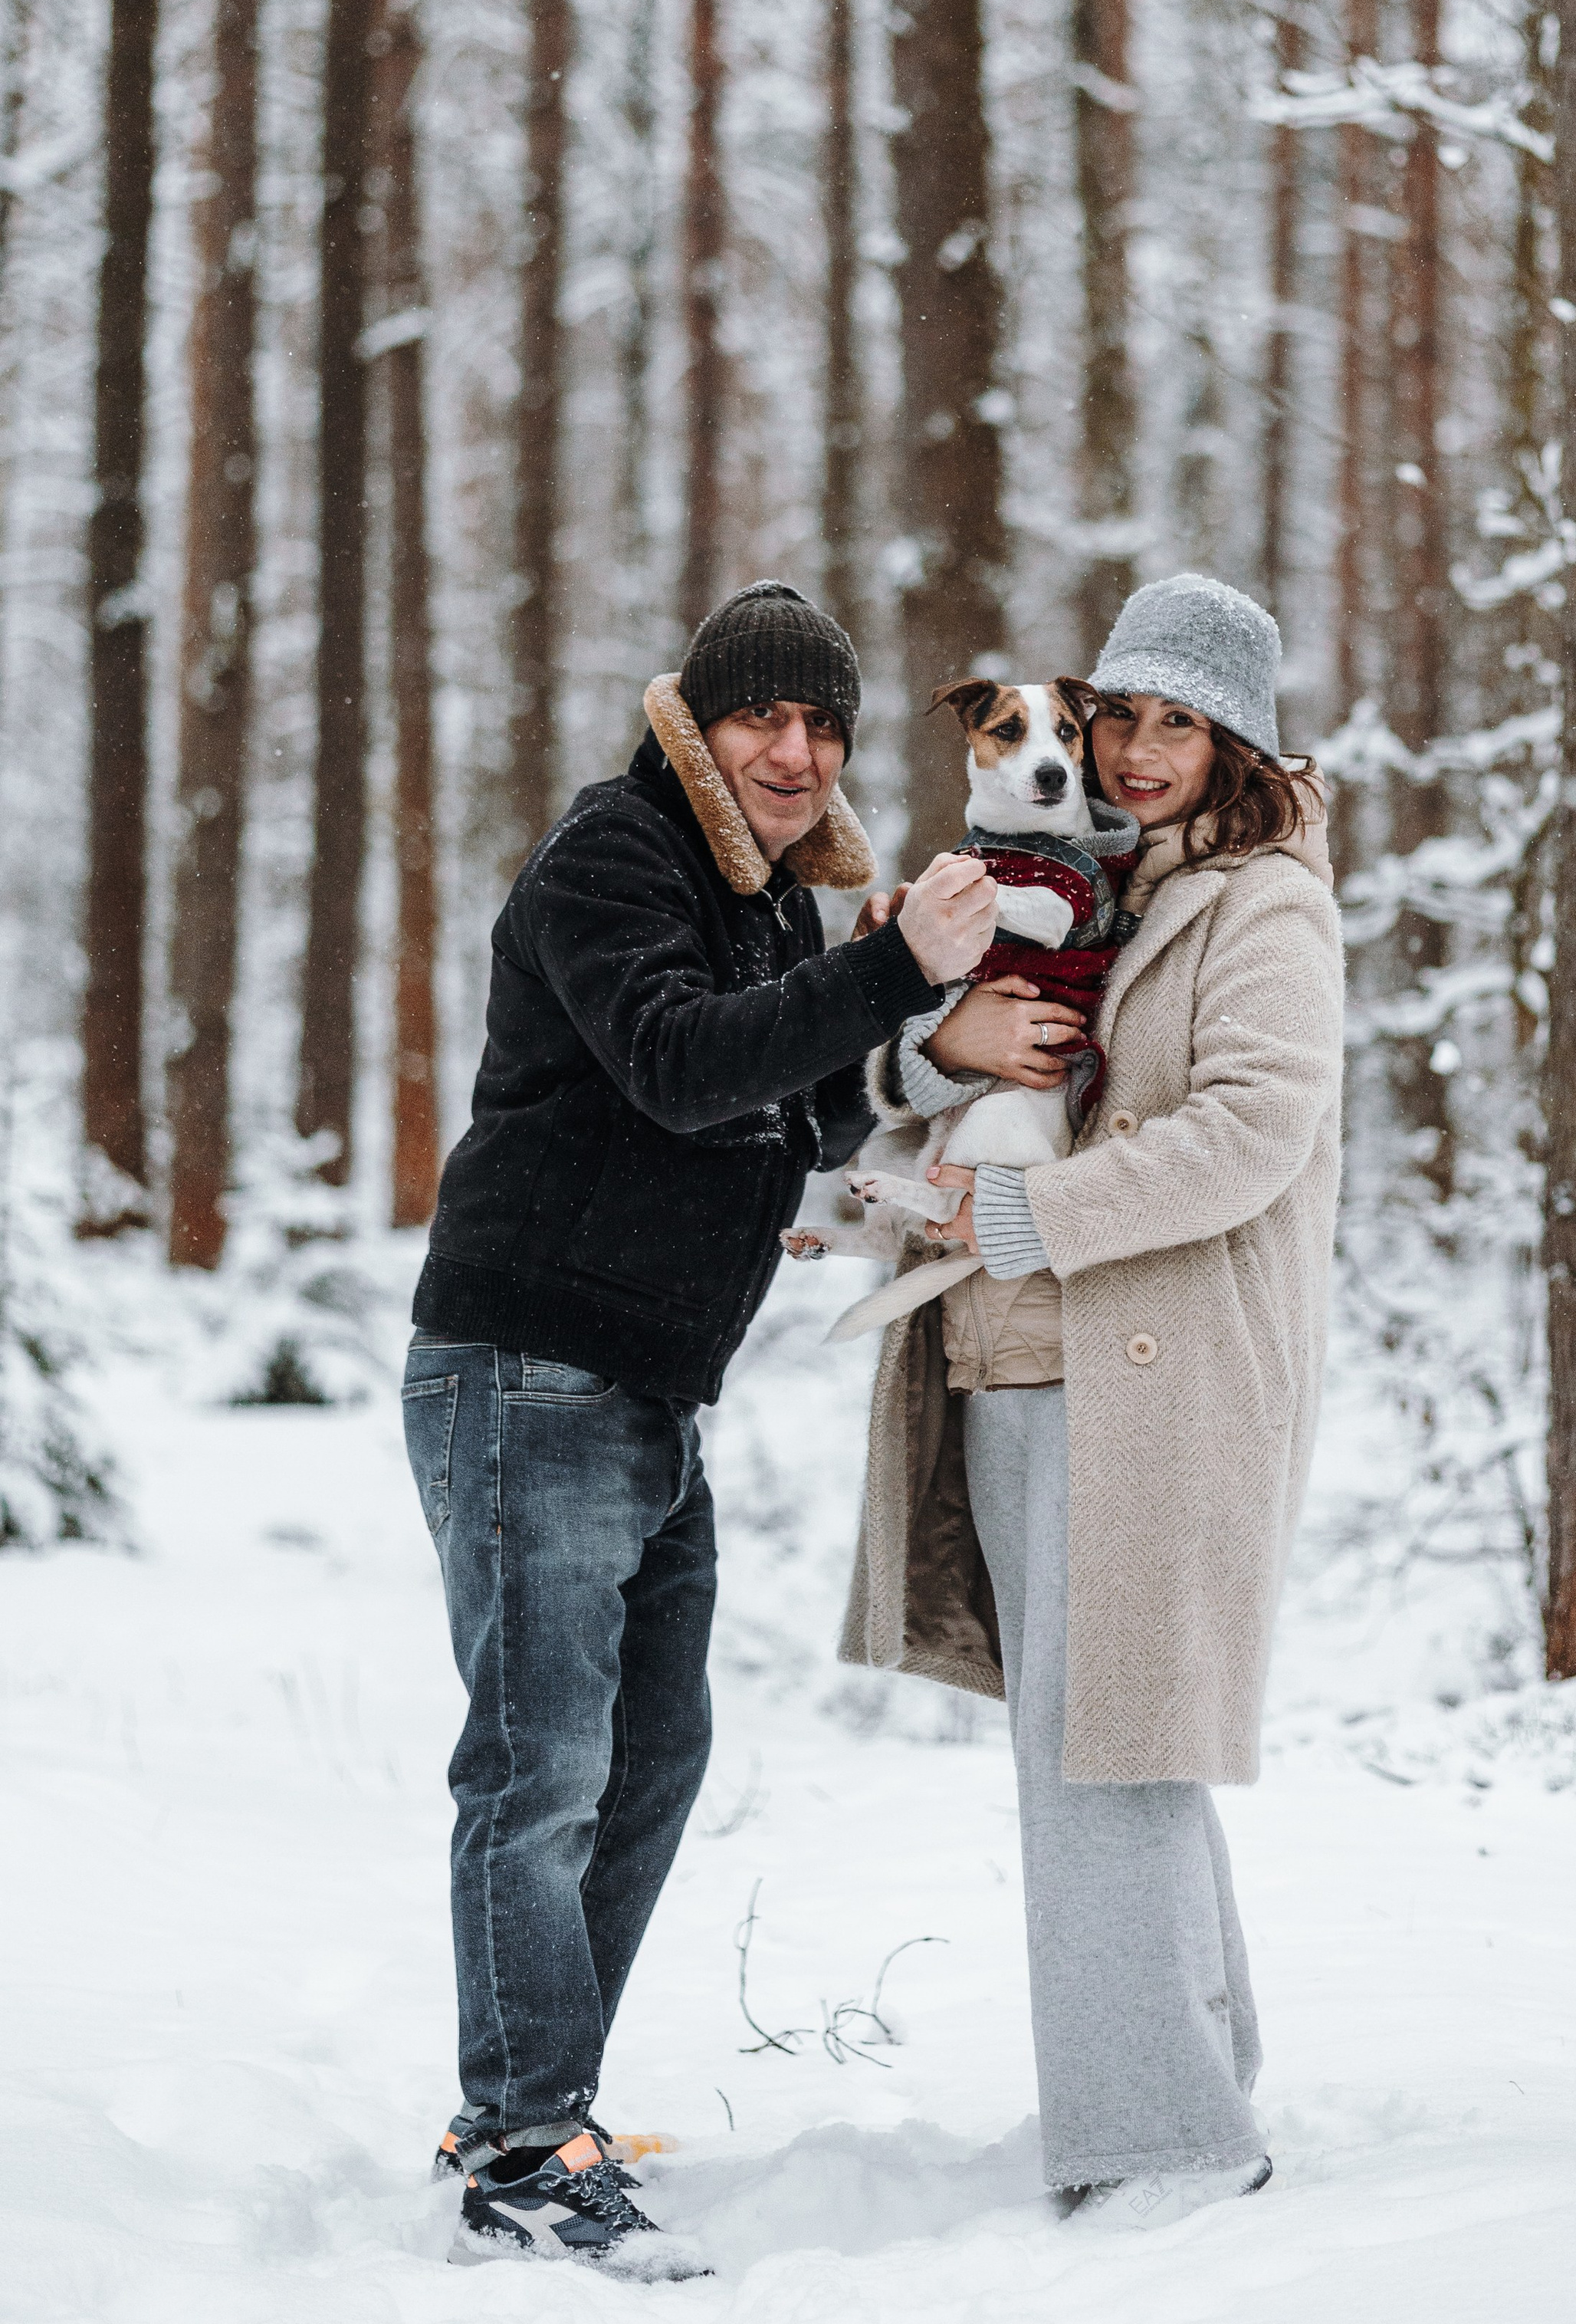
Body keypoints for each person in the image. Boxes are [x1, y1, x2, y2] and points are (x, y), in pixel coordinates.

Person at [403, 580, 996, 2277]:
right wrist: (891, 965)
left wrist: (909, 1039)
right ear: (695, 725)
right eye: (763, 719)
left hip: (646, 1387)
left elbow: (781, 1100)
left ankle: (536, 2093)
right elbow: (675, 1066)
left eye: (821, 724)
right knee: (540, 1770)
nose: (794, 751)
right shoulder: (617, 855)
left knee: (650, 1758)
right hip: (529, 1370)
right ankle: (522, 2142)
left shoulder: (756, 902)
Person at [841, 572, 1343, 2228]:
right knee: (1116, 1743)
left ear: (1236, 743)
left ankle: (1158, 2144)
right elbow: (955, 1062)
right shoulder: (1104, 888)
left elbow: (1251, 1132)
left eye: (1172, 722)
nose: (1130, 750)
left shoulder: (1262, 902)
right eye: (1117, 714)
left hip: (1147, 1374)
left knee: (1102, 1751)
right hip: (1025, 1363)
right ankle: (1199, 2076)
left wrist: (1017, 1216)